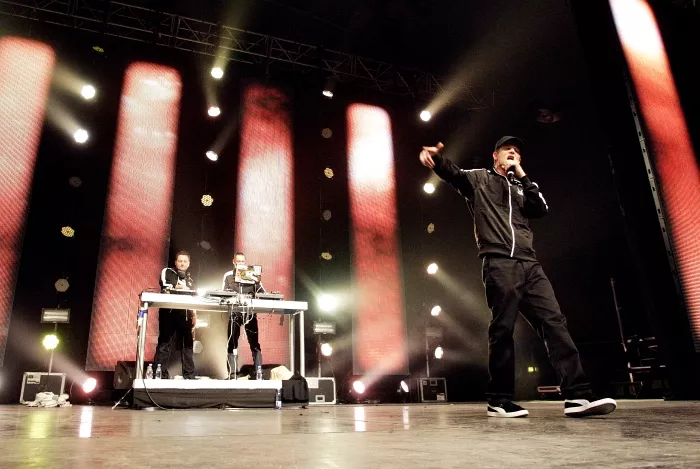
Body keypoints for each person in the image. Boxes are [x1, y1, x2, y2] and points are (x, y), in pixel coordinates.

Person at [419, 136, 617, 418]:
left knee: (554, 323)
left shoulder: (522, 188)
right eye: (507, 149)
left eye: (517, 151)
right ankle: (499, 400)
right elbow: (454, 174)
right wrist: (436, 160)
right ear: (495, 155)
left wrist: (523, 176)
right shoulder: (479, 179)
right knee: (503, 330)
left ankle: (577, 395)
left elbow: (540, 209)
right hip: (500, 263)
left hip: (530, 265)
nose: (512, 152)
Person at [153, 250, 196, 379]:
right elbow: (166, 286)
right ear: (175, 262)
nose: (182, 263)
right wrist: (179, 287)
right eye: (180, 261)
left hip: (185, 313)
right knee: (164, 343)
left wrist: (194, 314)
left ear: (189, 263)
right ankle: (159, 374)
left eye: (185, 261)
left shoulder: (190, 279)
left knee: (187, 345)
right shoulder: (167, 271)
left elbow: (193, 297)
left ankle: (189, 375)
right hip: (169, 312)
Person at [222, 252, 265, 379]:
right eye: (238, 261)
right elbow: (223, 293)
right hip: (234, 312)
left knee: (254, 343)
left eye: (242, 261)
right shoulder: (228, 275)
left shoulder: (251, 275)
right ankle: (233, 373)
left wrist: (257, 282)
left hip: (249, 312)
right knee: (232, 342)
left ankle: (259, 372)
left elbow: (263, 292)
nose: (240, 263)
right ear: (233, 262)